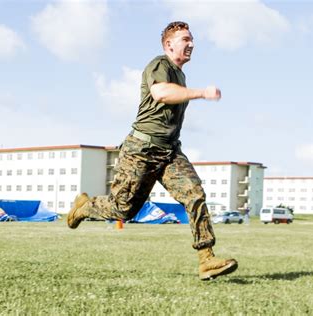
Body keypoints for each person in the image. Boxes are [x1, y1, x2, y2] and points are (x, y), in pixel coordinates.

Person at [67, 21, 238, 281]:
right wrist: (202, 93)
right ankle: (84, 207)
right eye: (185, 39)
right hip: (142, 149)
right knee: (123, 209)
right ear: (169, 44)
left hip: (170, 152)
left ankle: (206, 259)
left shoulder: (180, 75)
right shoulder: (160, 65)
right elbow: (160, 93)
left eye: (192, 39)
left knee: (195, 194)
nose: (191, 44)